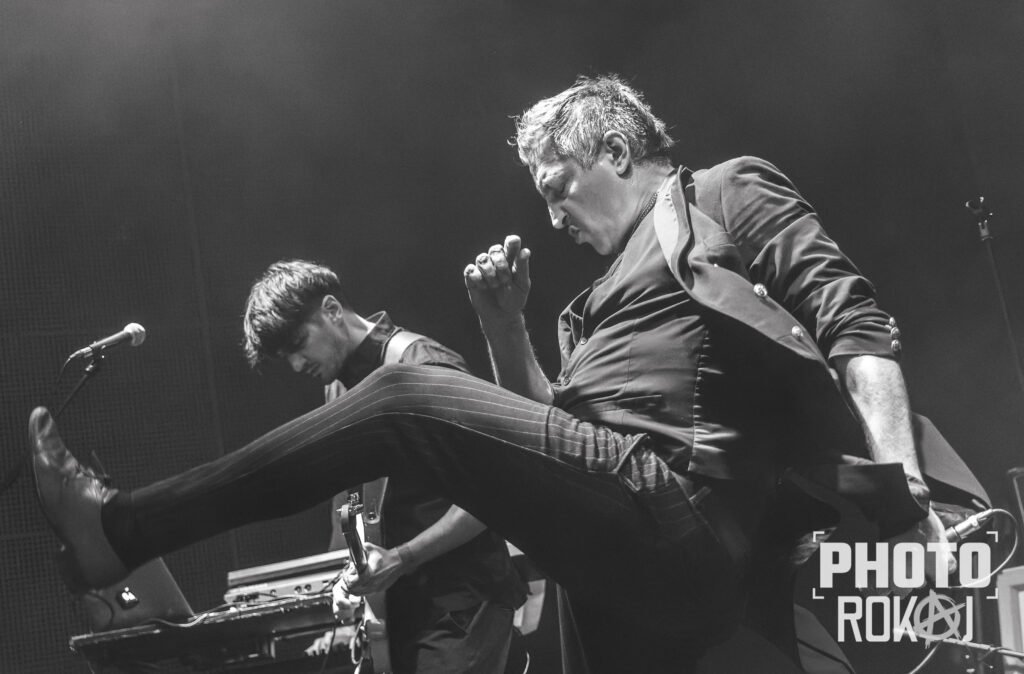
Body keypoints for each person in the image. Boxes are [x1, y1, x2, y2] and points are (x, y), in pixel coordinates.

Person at [31, 74, 953, 673]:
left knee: (402, 396)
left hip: (686, 511)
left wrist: (907, 496)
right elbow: (547, 427)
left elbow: (853, 324)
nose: (552, 217)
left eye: (557, 189)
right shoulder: (587, 308)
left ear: (615, 153)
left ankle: (124, 528)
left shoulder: (721, 194)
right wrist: (503, 325)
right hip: (614, 549)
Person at [241, 260, 526, 672]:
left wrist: (402, 558)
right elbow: (353, 504)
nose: (298, 365)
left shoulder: (425, 366)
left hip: (463, 605)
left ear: (332, 310)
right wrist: (343, 579)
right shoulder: (337, 386)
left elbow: (492, 494)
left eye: (299, 343)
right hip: (401, 612)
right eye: (288, 356)